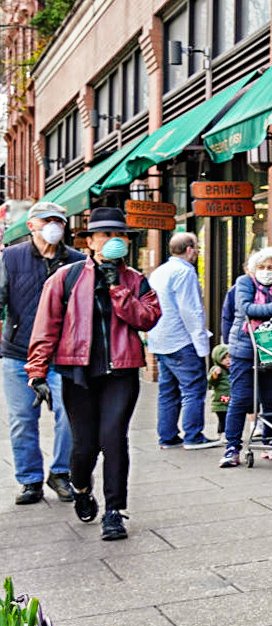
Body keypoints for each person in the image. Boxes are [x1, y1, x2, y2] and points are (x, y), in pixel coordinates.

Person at [25, 207, 161, 540]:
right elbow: (46, 327)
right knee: (83, 447)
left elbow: (148, 318)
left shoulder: (135, 279)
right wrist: (37, 371)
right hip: (78, 372)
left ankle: (115, 512)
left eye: (119, 235)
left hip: (122, 371)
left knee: (114, 440)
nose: (113, 241)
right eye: (105, 235)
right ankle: (82, 487)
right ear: (90, 241)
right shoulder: (66, 277)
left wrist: (118, 290)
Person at [0, 202, 85, 505]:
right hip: (18, 353)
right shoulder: (10, 258)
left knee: (70, 417)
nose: (53, 225)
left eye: (58, 221)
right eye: (46, 220)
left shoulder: (77, 261)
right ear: (32, 225)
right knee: (22, 418)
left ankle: (61, 473)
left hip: (62, 355)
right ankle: (30, 480)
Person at [220, 247, 272, 468]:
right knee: (241, 398)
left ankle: (270, 442)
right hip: (245, 348)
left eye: (271, 268)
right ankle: (232, 447)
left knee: (271, 398)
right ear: (254, 269)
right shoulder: (244, 283)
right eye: (262, 267)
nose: (266, 271)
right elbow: (246, 308)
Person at [147, 232, 218, 450]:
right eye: (196, 248)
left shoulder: (159, 272)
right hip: (181, 341)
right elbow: (191, 310)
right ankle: (193, 436)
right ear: (189, 250)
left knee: (168, 391)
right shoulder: (185, 272)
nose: (197, 252)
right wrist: (201, 345)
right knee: (194, 388)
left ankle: (167, 437)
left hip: (160, 340)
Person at [208, 344, 230, 438]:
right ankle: (222, 433)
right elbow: (211, 382)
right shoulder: (216, 369)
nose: (228, 360)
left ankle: (227, 433)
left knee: (230, 417)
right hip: (219, 400)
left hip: (229, 399)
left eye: (229, 357)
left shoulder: (232, 368)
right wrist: (215, 375)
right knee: (223, 418)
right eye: (224, 358)